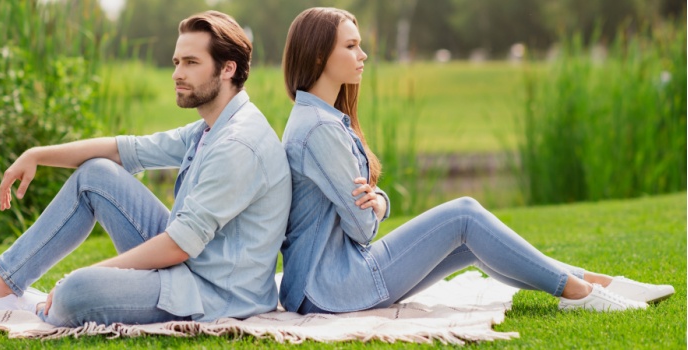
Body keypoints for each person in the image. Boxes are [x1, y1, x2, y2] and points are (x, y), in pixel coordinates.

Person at [277, 7, 673, 315]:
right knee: (464, 214)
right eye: (350, 46)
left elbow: (364, 205)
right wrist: (378, 205)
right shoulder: (319, 129)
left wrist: (379, 200)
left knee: (470, 244)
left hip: (333, 279)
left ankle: (597, 282)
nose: (363, 54)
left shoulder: (321, 118)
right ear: (317, 56)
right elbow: (363, 228)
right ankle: (579, 292)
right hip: (332, 286)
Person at [0, 10, 291, 327]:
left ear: (228, 69)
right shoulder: (213, 125)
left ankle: (39, 305)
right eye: (177, 61)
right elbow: (124, 149)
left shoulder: (238, 143)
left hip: (209, 293)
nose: (177, 73)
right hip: (191, 266)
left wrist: (96, 273)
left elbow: (178, 246)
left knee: (78, 291)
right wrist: (36, 153)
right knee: (96, 174)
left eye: (191, 63)